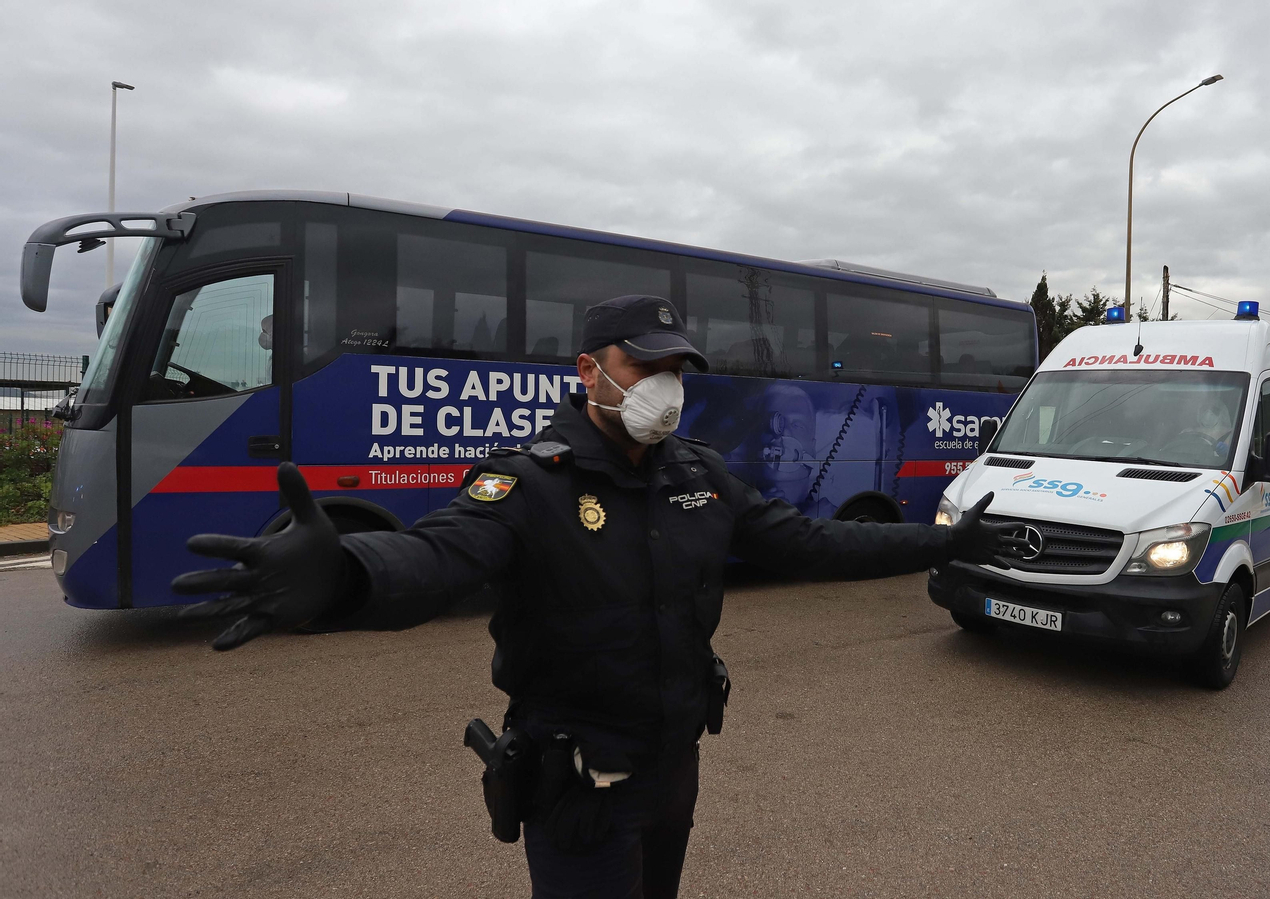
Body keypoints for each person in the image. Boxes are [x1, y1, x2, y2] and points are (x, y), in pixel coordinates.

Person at [173, 294, 1022, 899]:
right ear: (590, 371)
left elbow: (814, 543)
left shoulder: (701, 476)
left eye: (677, 369)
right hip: (579, 787)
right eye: (644, 366)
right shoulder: (530, 481)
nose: (666, 385)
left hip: (673, 771)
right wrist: (345, 578)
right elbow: (441, 555)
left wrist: (939, 540)